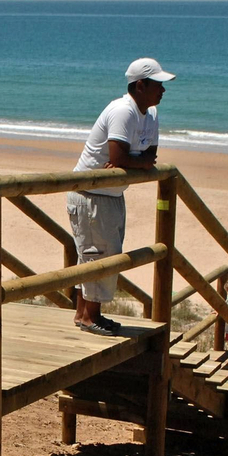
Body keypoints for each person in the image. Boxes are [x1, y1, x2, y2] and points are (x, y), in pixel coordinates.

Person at [66, 58, 175, 337]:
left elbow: (149, 156)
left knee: (103, 254)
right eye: (157, 84)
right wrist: (134, 161)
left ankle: (86, 314)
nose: (163, 90)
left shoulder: (149, 114)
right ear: (140, 86)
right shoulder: (123, 111)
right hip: (91, 195)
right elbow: (119, 157)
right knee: (97, 255)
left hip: (111, 194)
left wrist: (133, 161)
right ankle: (90, 316)